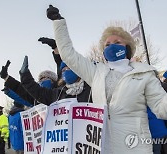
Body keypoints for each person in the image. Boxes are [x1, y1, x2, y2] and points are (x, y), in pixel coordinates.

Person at [46, 5, 167, 153]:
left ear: (128, 47)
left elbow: (161, 106)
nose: (111, 46)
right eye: (107, 44)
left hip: (135, 146)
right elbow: (69, 55)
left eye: (117, 43)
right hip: (102, 146)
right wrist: (59, 23)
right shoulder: (96, 72)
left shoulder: (144, 73)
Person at [19, 56, 92, 105]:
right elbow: (38, 92)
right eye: (63, 70)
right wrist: (25, 75)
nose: (66, 71)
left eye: (69, 68)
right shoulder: (58, 93)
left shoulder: (91, 89)